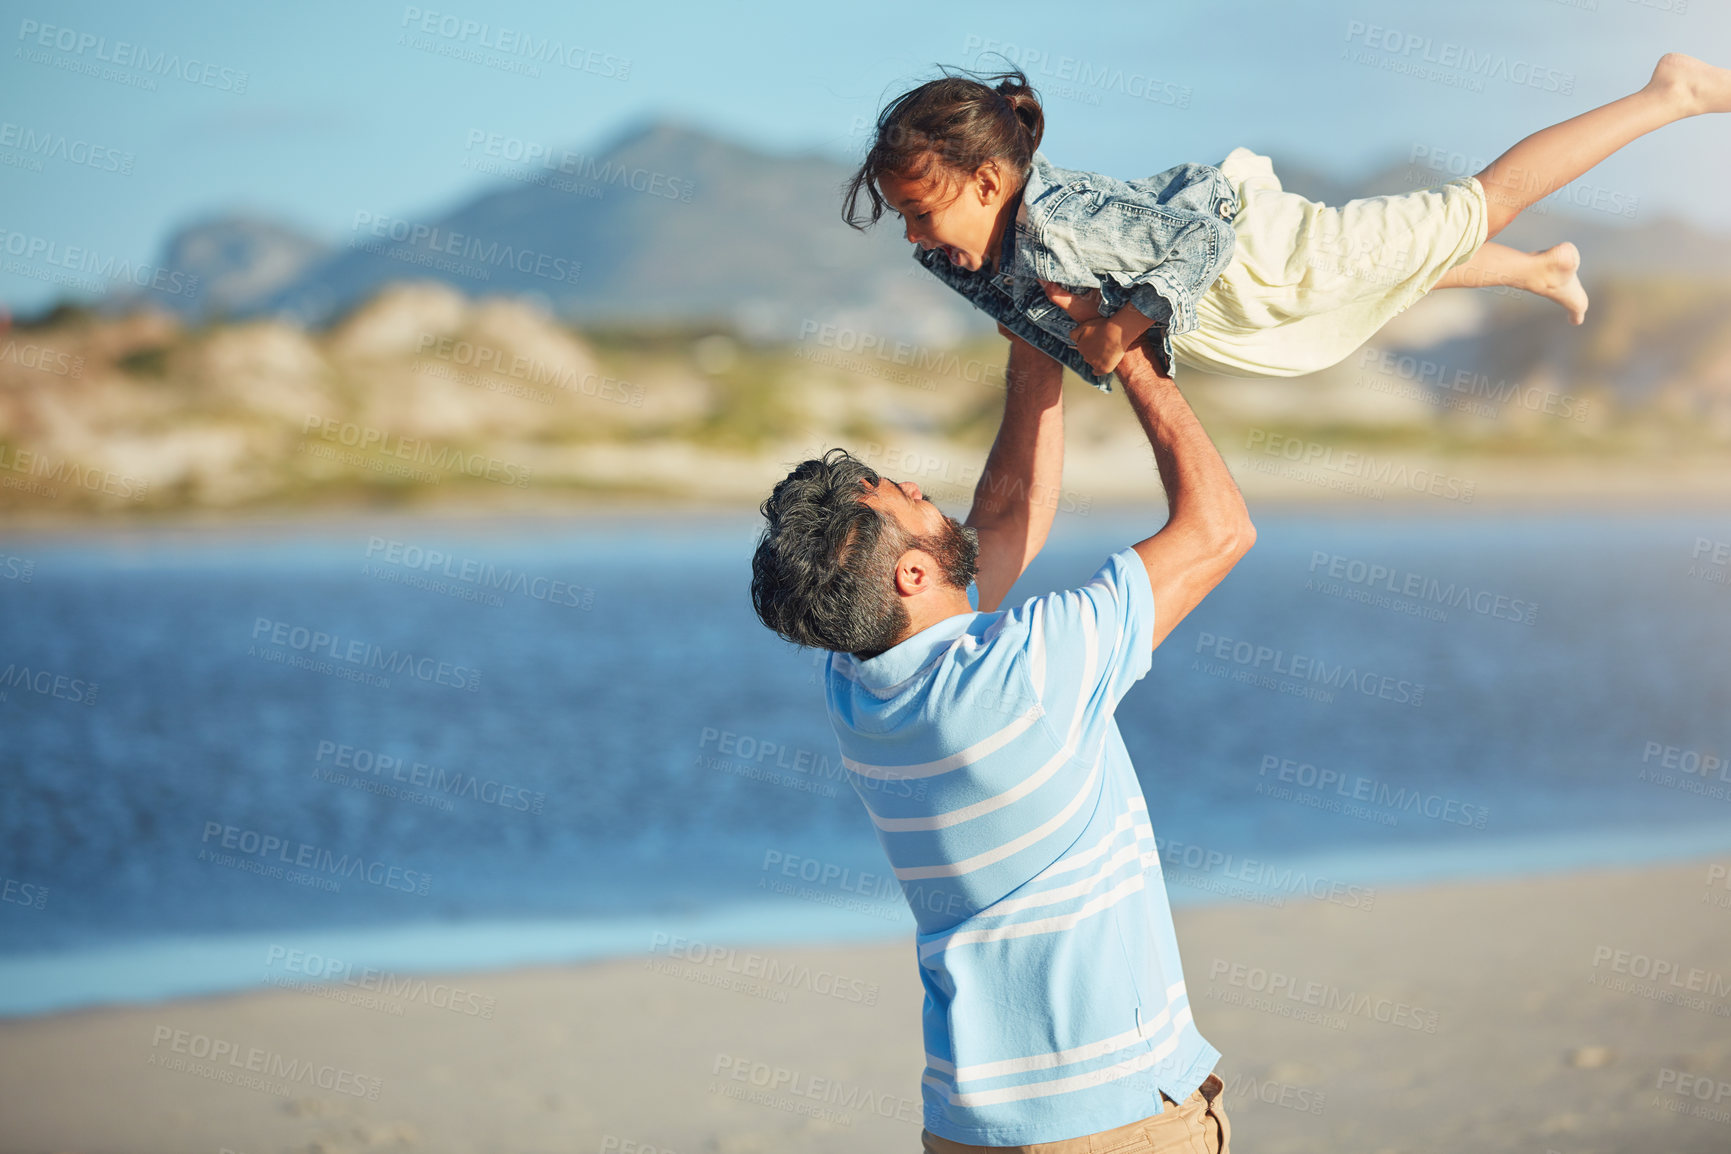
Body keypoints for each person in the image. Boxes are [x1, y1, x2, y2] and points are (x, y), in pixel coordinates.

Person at [749, 278, 1253, 1150]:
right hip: (1112, 1122)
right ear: (910, 577)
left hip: (968, 1122)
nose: (917, 484)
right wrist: (1130, 358)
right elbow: (1218, 530)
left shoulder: (857, 683)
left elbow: (1006, 517)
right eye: (905, 499)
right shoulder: (1022, 671)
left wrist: (1035, 346)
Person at [842, 55, 1731, 387]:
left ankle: (1668, 94)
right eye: (900, 218)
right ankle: (1539, 270)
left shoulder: (1060, 211)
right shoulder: (952, 261)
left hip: (1256, 251)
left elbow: (1198, 244)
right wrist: (1091, 340)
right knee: (1375, 283)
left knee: (1479, 202)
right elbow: (1052, 338)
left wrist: (1111, 329)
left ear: (991, 180)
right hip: (1228, 299)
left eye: (921, 212)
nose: (914, 236)